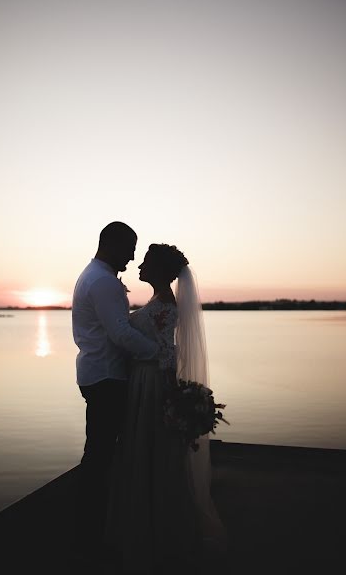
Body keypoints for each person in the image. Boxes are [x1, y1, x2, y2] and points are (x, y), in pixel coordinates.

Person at [106, 243, 226, 575]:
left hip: (152, 382)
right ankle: (149, 525)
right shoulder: (159, 302)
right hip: (145, 379)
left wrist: (170, 394)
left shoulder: (165, 307)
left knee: (152, 449)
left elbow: (164, 353)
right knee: (147, 449)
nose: (140, 267)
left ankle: (156, 531)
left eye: (145, 263)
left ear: (159, 270)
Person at [71, 222, 159, 566]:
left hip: (98, 374)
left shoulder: (93, 276)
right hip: (107, 378)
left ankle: (93, 531)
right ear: (113, 244)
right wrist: (161, 353)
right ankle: (90, 540)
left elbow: (118, 327)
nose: (133, 256)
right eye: (130, 247)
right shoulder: (103, 281)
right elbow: (121, 334)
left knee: (101, 455)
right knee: (100, 459)